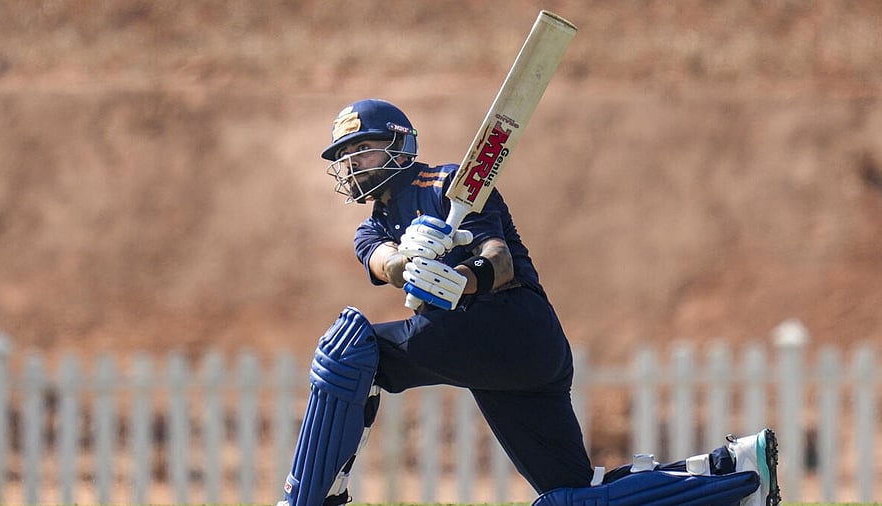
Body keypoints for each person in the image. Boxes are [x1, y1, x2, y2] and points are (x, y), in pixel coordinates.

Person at [277, 98, 781, 506]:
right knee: (571, 499)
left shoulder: (448, 184)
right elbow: (382, 261)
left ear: (399, 146)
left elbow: (499, 260)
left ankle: (310, 497)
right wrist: (411, 263)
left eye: (361, 148)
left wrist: (462, 278)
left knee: (347, 349)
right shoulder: (370, 228)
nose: (351, 163)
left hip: (509, 324)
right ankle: (736, 473)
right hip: (507, 356)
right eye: (346, 155)